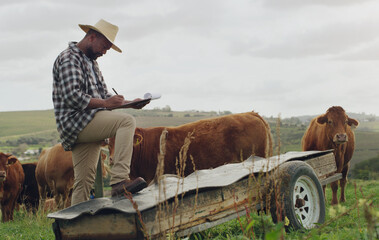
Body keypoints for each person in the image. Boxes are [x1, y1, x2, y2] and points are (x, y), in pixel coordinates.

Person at [52, 19, 148, 205]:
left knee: (83, 183)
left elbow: (104, 95)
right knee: (126, 122)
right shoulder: (69, 58)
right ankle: (119, 180)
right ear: (92, 37)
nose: (104, 52)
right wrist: (105, 102)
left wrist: (130, 103)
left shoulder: (91, 62)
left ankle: (75, 229)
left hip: (86, 122)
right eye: (104, 47)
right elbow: (72, 96)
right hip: (77, 121)